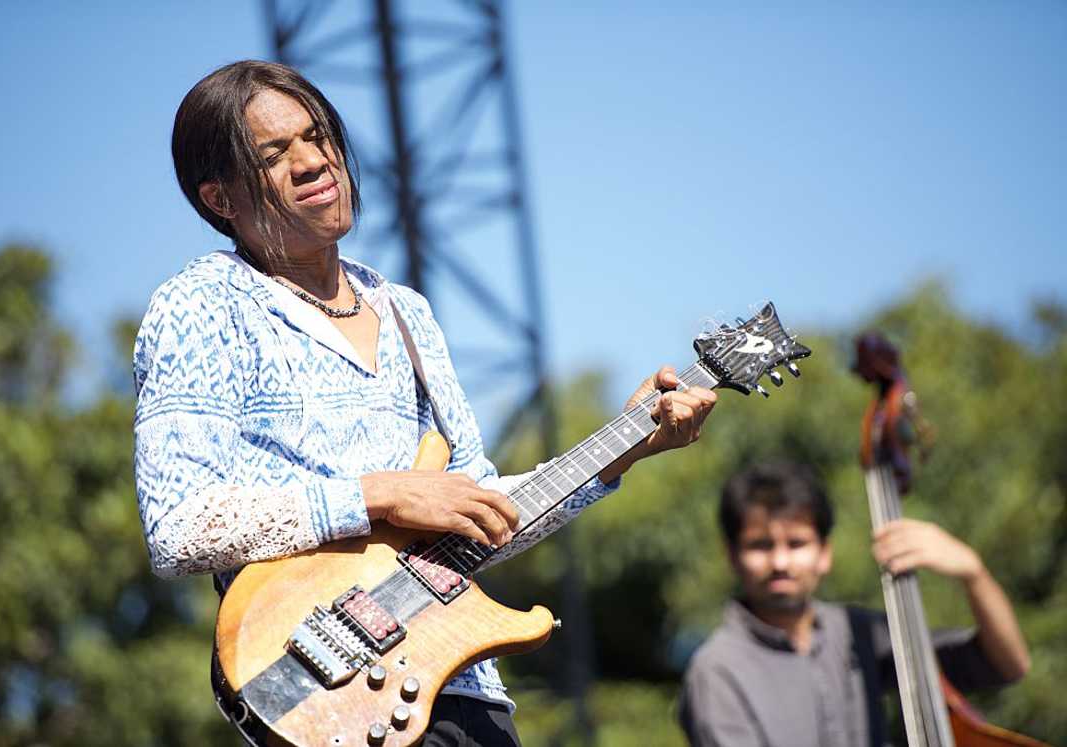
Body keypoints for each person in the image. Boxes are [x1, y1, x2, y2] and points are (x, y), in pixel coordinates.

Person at [134, 60, 718, 746]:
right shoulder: (200, 305)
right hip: (331, 698)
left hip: (463, 686)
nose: (313, 160)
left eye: (316, 135)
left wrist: (630, 442)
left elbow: (481, 514)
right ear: (220, 198)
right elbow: (179, 526)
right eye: (274, 153)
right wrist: (377, 495)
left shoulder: (404, 310)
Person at [677, 461, 1030, 747]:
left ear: (824, 553)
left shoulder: (857, 632)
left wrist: (974, 573)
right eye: (761, 545)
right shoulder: (717, 671)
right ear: (732, 557)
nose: (780, 562)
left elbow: (1006, 664)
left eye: (797, 543)